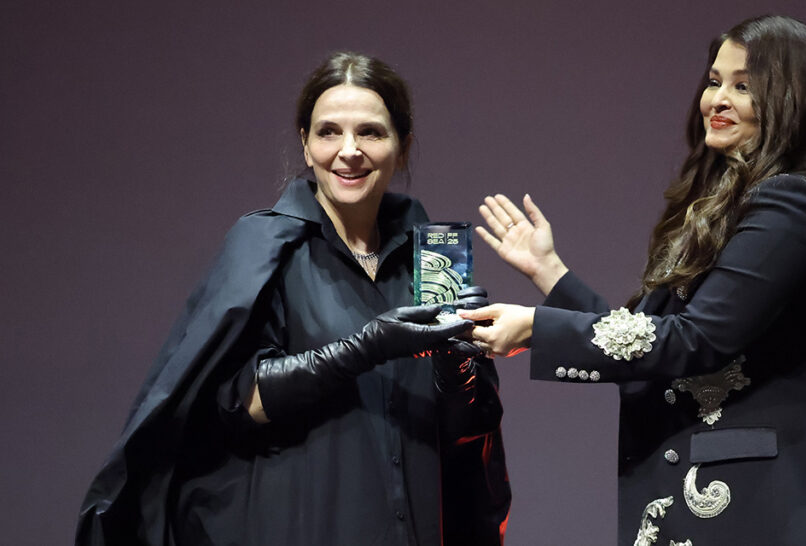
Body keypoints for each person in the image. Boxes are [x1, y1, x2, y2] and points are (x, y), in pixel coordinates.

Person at [462, 15, 806, 545]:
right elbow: (653, 342)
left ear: (792, 98)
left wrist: (536, 329)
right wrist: (550, 272)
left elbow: (694, 342)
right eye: (714, 80)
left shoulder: (789, 202)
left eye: (743, 87)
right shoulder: (751, 198)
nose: (717, 99)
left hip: (761, 507)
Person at [77, 52, 510, 546]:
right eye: (328, 132)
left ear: (402, 147)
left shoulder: (433, 261)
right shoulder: (263, 246)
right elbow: (235, 402)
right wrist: (367, 347)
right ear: (305, 145)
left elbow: (466, 437)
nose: (349, 151)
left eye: (370, 132)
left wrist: (458, 370)